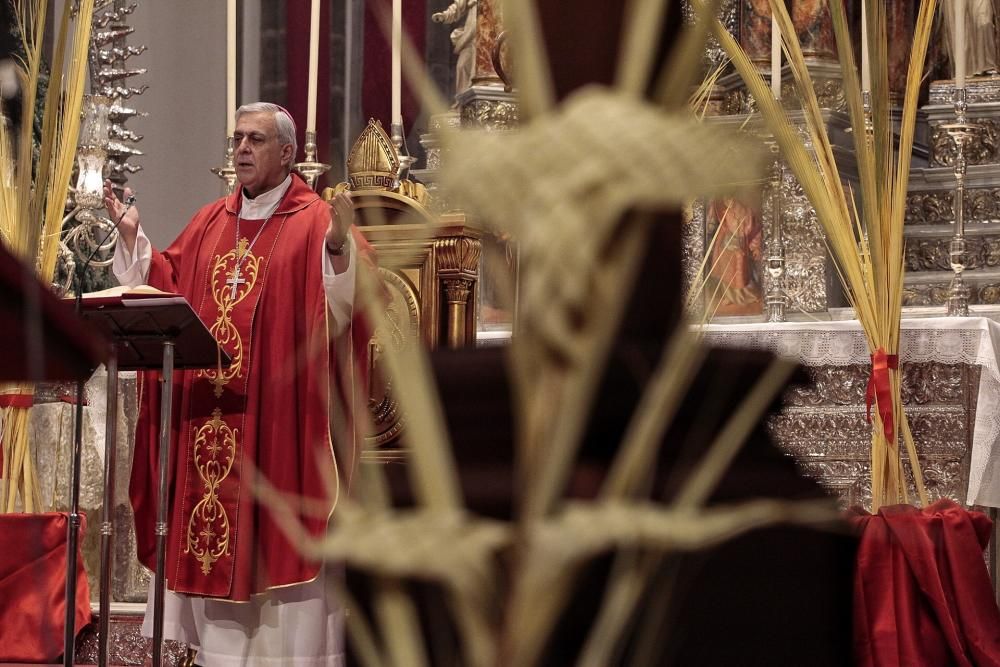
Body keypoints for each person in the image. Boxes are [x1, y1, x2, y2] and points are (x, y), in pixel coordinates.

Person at [105, 102, 374, 666]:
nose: (242, 149)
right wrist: (134, 242)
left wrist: (338, 245)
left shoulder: (315, 222)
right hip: (210, 420)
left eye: (255, 140)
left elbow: (349, 308)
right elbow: (165, 284)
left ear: (287, 153)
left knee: (281, 589)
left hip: (277, 426)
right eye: (237, 139)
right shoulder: (209, 222)